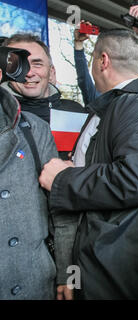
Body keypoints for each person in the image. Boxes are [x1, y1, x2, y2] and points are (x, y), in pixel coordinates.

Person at [38, 29, 138, 299]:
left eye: (91, 58)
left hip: (116, 268)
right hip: (99, 263)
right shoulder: (112, 105)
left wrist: (63, 180)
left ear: (103, 60)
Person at [0, 61, 71, 299]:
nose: (29, 71)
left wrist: (70, 276)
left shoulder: (35, 128)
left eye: (37, 63)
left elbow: (64, 212)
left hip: (38, 283)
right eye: (20, 62)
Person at [2, 34, 88, 160]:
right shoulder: (3, 118)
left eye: (37, 64)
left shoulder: (75, 111)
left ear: (51, 71)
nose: (29, 73)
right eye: (17, 65)